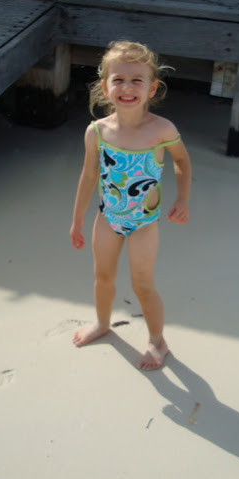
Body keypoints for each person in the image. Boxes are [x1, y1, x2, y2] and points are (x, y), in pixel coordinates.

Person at [70, 40, 192, 370]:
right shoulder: (96, 131)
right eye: (118, 79)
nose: (127, 87)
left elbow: (182, 161)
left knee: (142, 284)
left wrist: (182, 199)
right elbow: (89, 174)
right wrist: (77, 219)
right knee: (103, 276)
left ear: (152, 88)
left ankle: (157, 341)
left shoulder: (161, 130)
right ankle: (102, 323)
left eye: (136, 80)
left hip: (144, 221)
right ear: (104, 86)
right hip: (107, 216)